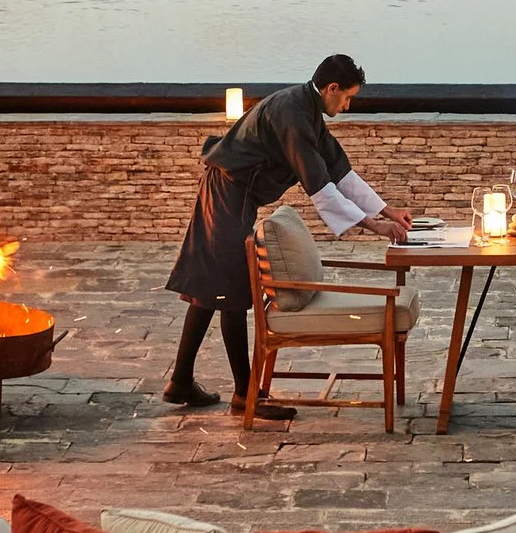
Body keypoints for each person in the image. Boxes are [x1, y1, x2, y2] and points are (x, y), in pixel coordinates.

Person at [163, 53, 412, 416]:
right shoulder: (292, 114)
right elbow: (321, 187)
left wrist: (387, 210)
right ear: (331, 89)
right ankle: (245, 397)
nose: (347, 104)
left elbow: (341, 172)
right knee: (231, 291)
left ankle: (181, 381)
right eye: (347, 97)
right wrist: (374, 226)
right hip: (226, 190)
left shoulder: (308, 110)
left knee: (212, 285)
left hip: (234, 192)